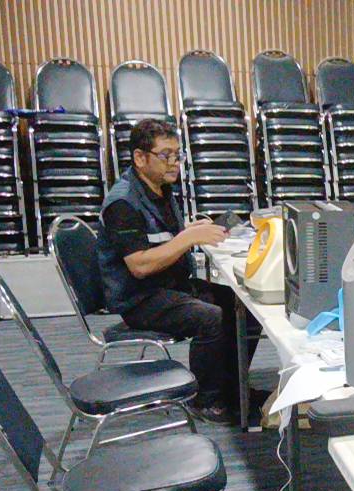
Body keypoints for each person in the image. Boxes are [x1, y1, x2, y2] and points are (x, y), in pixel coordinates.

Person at [98, 118, 257, 424]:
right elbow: (140, 265)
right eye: (165, 155)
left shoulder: (160, 189)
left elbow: (160, 238)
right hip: (140, 298)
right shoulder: (123, 204)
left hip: (170, 285)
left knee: (244, 303)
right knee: (210, 317)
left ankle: (234, 389)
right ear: (140, 158)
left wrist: (187, 230)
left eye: (177, 155)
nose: (174, 163)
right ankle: (207, 400)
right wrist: (188, 238)